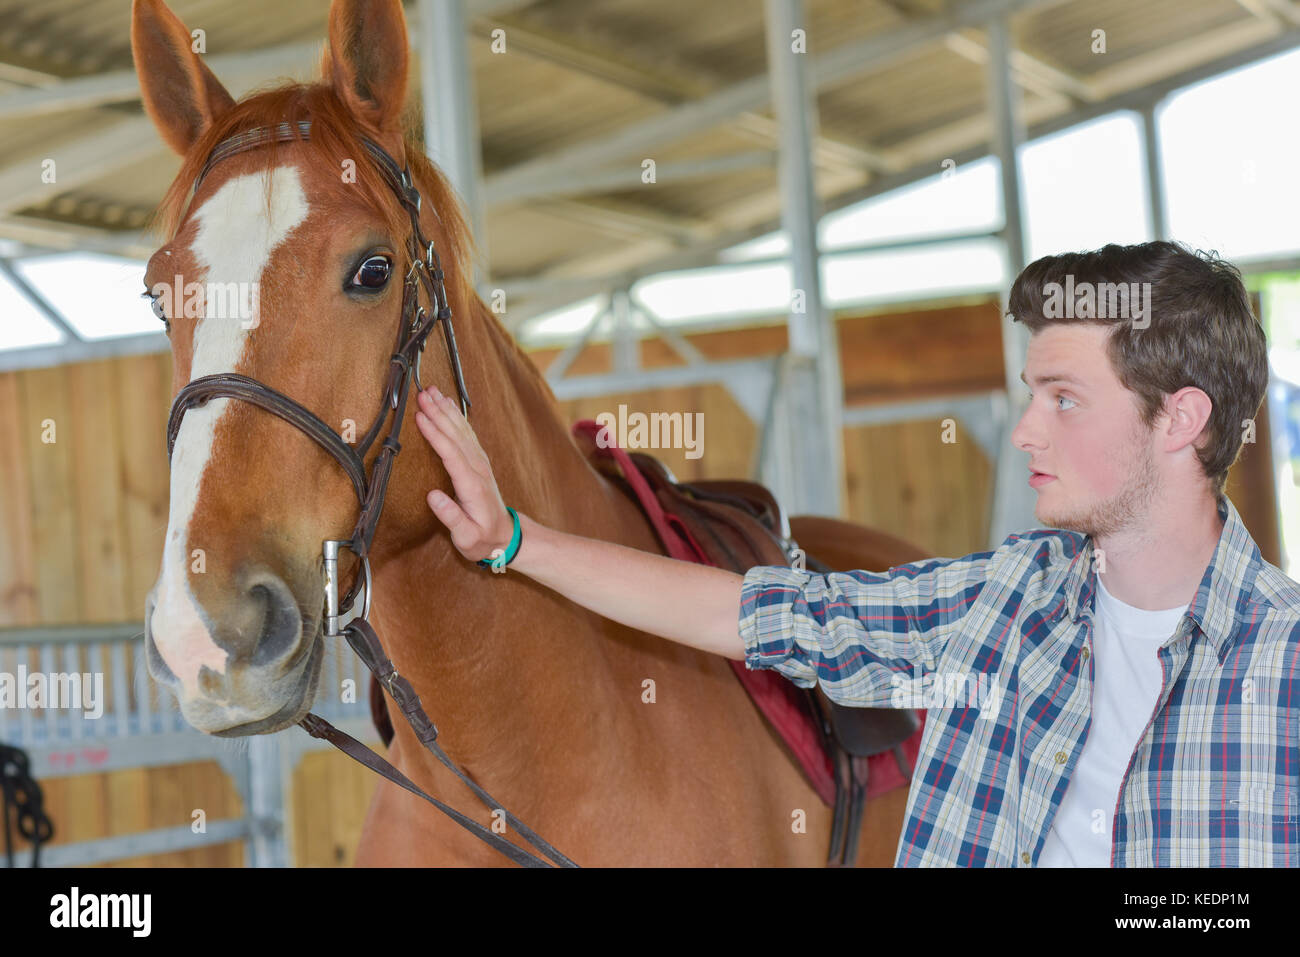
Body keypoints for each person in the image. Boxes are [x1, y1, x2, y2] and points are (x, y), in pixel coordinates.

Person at [412, 240, 1298, 867]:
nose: (1026, 429)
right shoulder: (1001, 603)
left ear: (1180, 419)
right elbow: (746, 613)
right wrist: (513, 539)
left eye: (1064, 399)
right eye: (1031, 394)